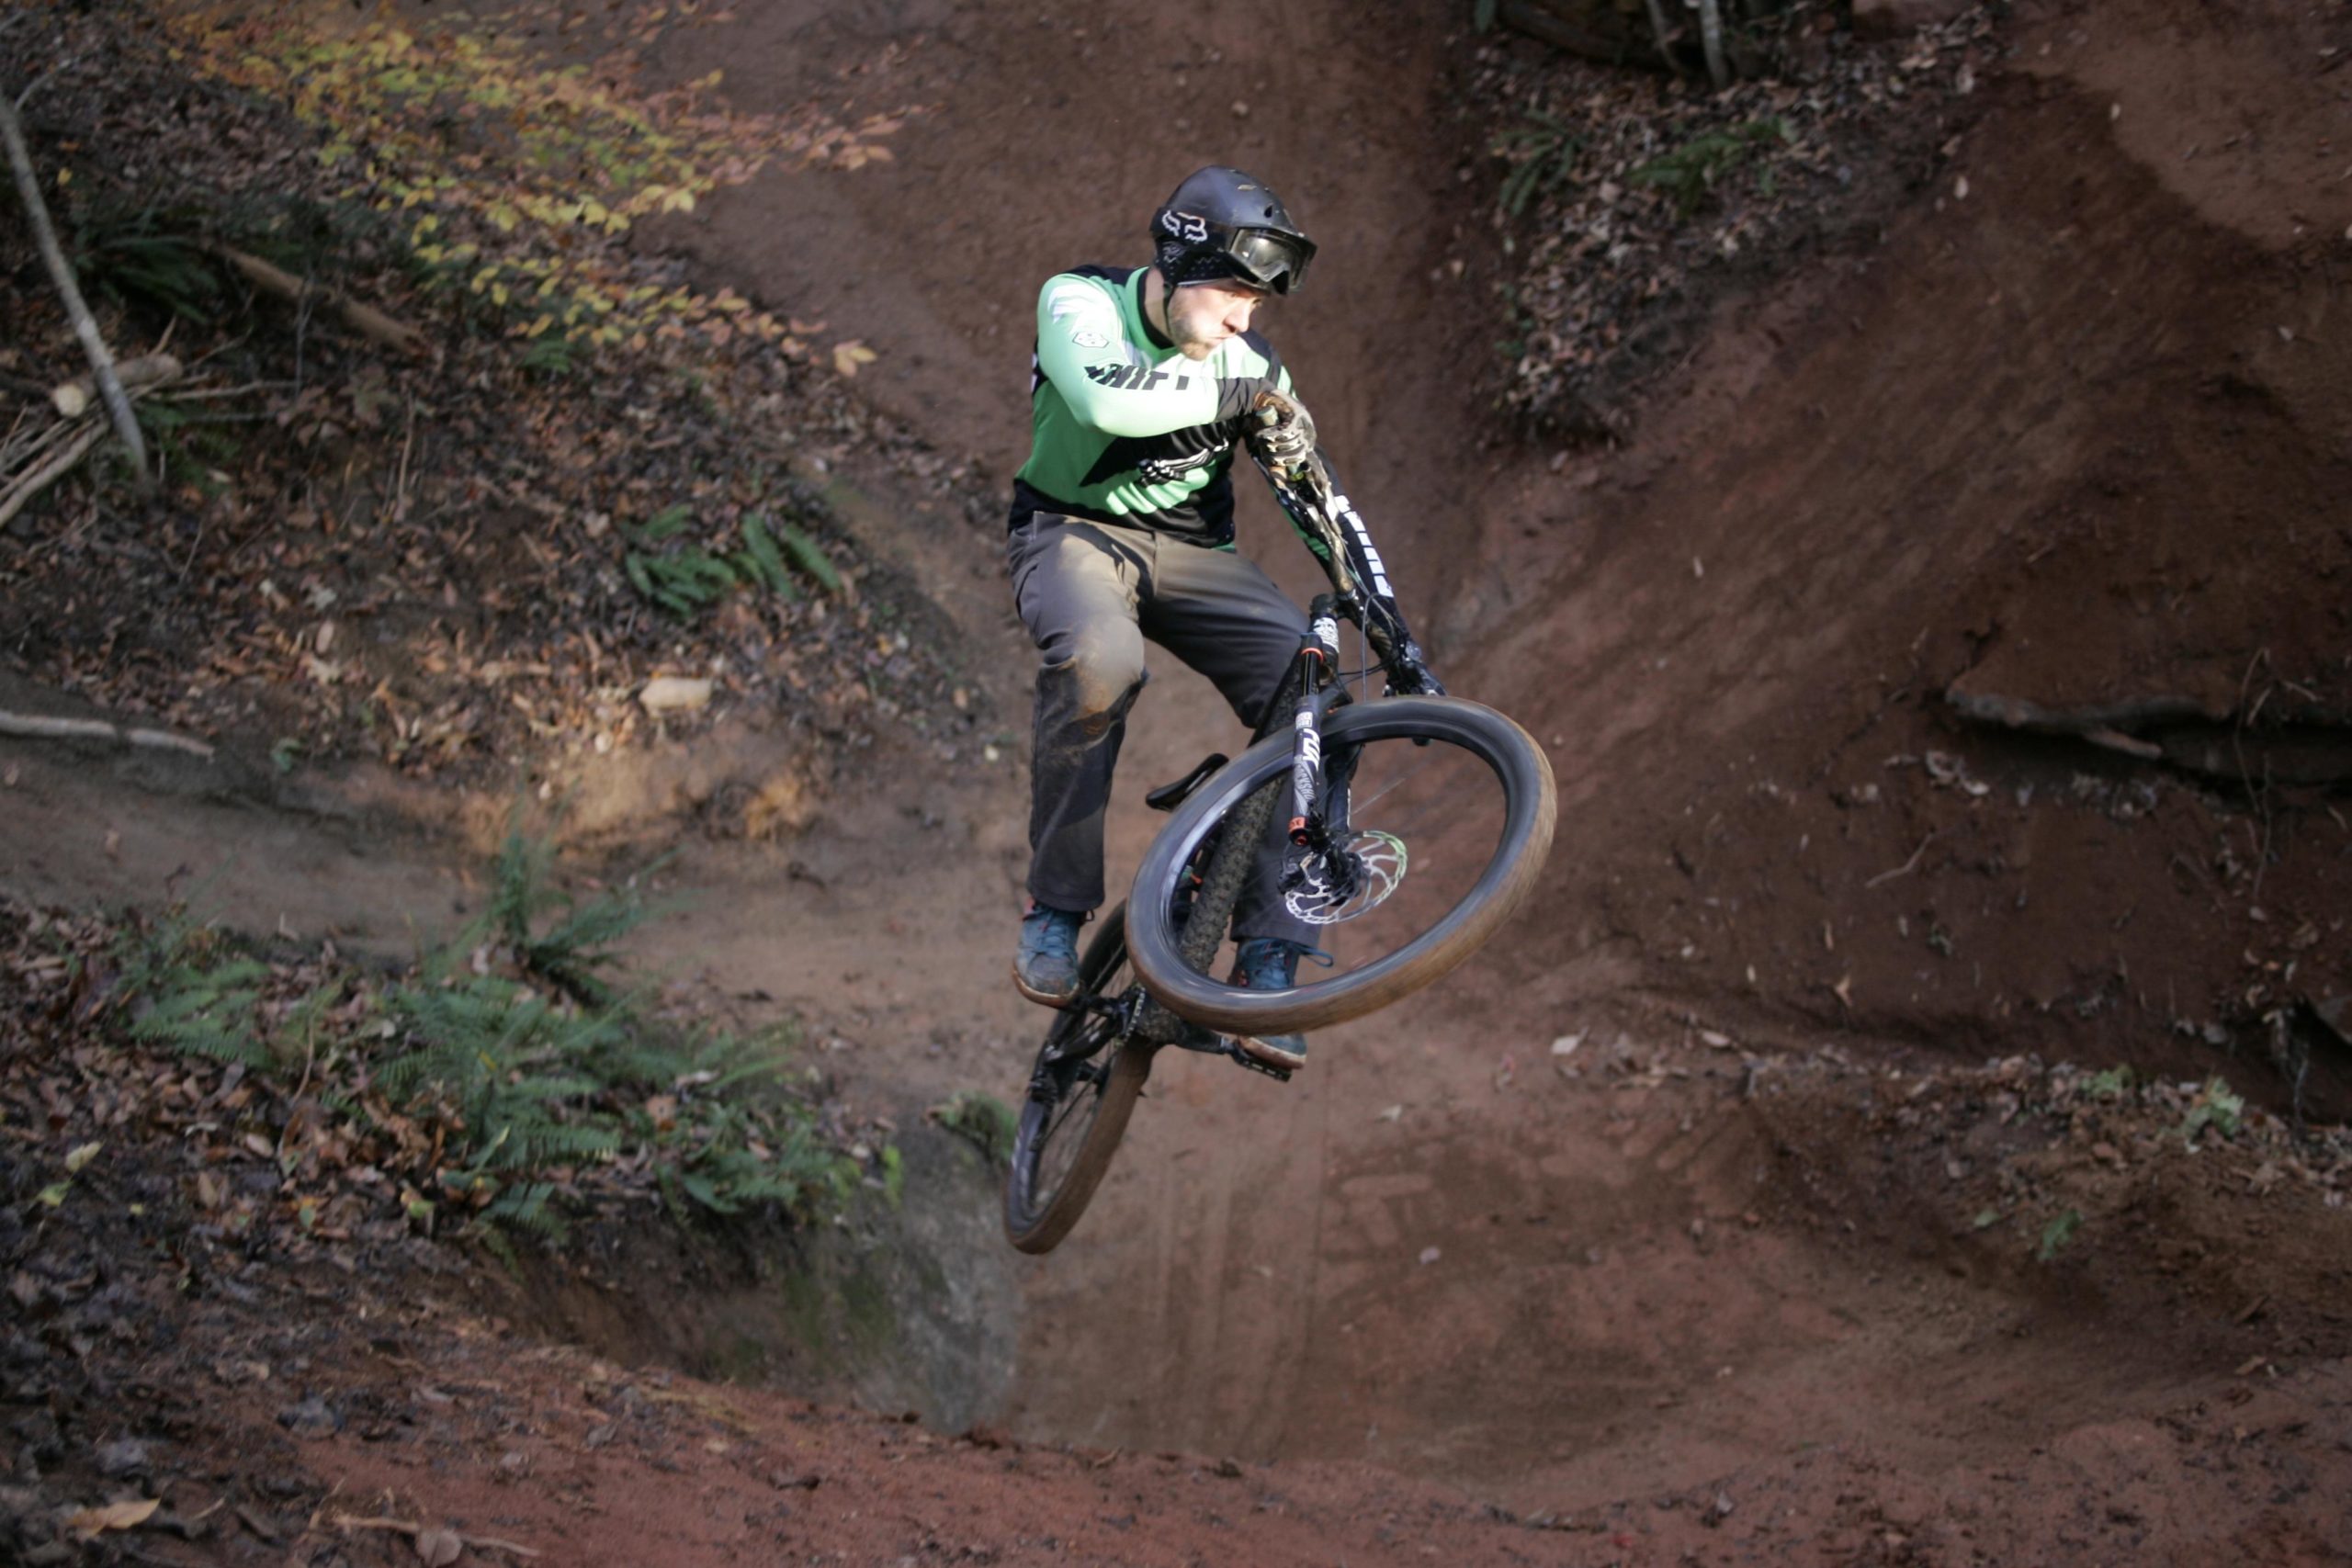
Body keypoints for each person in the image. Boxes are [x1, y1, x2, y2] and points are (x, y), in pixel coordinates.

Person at [1005, 165, 1437, 1071]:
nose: (1247, 319)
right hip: (1071, 536)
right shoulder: (1080, 301)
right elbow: (1103, 401)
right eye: (1236, 293)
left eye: (1258, 302)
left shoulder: (1251, 367)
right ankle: (1054, 912)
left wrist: (1395, 640)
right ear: (1180, 261)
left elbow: (1321, 504)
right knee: (1099, 662)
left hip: (1195, 558)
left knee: (1316, 696)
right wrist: (1243, 398)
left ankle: (1270, 958)